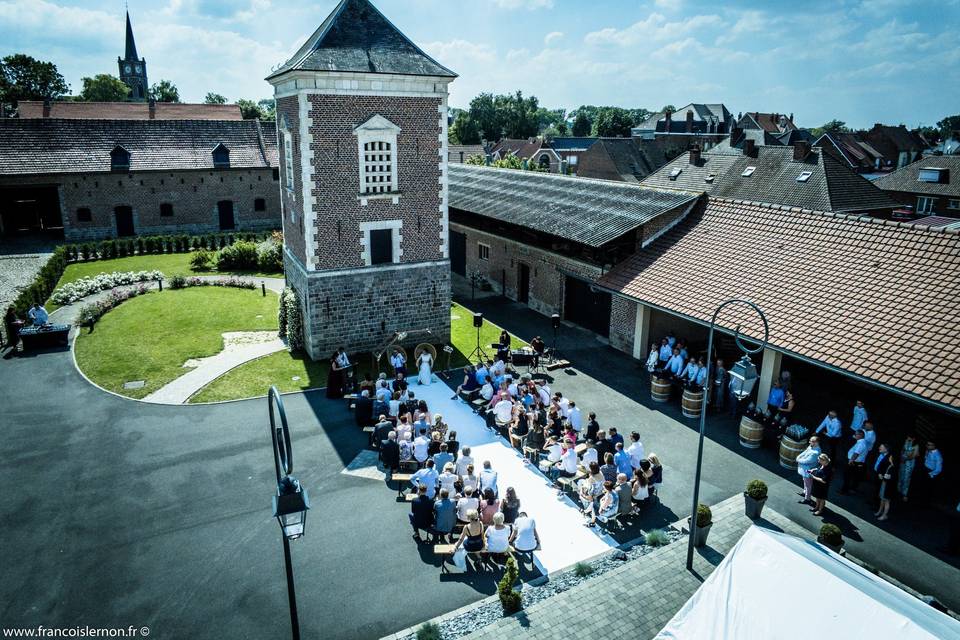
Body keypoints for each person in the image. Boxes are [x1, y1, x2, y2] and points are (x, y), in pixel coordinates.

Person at [840, 430, 868, 495]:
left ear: (861, 435)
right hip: (855, 462)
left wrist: (851, 460)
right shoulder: (861, 442)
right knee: (853, 476)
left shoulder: (861, 443)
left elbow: (856, 453)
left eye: (856, 434)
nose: (854, 435)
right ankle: (851, 489)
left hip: (854, 462)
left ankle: (845, 490)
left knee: (847, 476)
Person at [795, 436, 822, 505]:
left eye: (812, 441)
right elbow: (804, 452)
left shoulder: (815, 452)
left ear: (817, 443)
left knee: (808, 485)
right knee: (805, 482)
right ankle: (805, 493)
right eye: (810, 440)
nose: (810, 442)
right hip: (805, 469)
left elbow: (808, 461)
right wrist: (798, 457)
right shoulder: (811, 446)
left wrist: (798, 460)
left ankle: (807, 499)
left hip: (808, 470)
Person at [874, 444, 896, 521]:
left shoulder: (894, 467)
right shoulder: (886, 458)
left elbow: (894, 476)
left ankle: (884, 515)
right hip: (884, 482)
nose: (890, 458)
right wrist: (880, 473)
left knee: (886, 500)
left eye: (882, 447)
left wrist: (889, 477)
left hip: (889, 485)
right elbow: (880, 466)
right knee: (882, 498)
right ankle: (880, 511)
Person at [898, 434, 918, 501]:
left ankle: (905, 494)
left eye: (909, 437)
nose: (908, 438)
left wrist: (905, 458)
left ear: (913, 438)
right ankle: (899, 491)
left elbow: (914, 455)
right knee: (901, 475)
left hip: (909, 463)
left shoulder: (916, 445)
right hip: (903, 461)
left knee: (907, 478)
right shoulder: (906, 442)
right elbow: (902, 450)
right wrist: (901, 457)